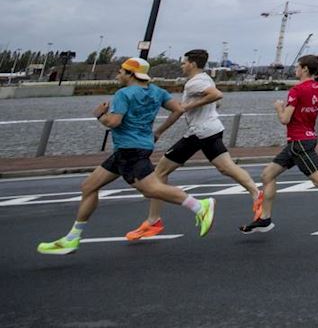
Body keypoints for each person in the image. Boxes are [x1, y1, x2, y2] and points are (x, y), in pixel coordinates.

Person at [37, 58, 215, 256]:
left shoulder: (123, 94)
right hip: (130, 149)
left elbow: (114, 122)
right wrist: (158, 132)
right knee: (89, 186)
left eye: (121, 71)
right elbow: (179, 109)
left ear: (131, 74)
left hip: (131, 150)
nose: (117, 75)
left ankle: (200, 205)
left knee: (151, 189)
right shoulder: (157, 91)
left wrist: (100, 115)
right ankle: (72, 238)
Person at [127, 49, 263, 240]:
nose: (182, 66)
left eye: (184, 63)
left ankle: (153, 221)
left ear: (192, 63)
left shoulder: (194, 82)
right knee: (226, 168)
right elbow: (214, 101)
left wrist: (186, 107)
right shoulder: (206, 78)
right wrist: (201, 105)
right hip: (213, 128)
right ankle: (257, 194)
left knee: (159, 174)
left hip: (198, 132)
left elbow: (216, 95)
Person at [240, 54, 318, 233]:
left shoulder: (296, 90)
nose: (295, 69)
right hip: (302, 141)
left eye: (297, 66)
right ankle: (264, 219)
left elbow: (285, 119)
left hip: (300, 141)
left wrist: (279, 108)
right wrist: (317, 106)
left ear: (305, 69)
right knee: (267, 175)